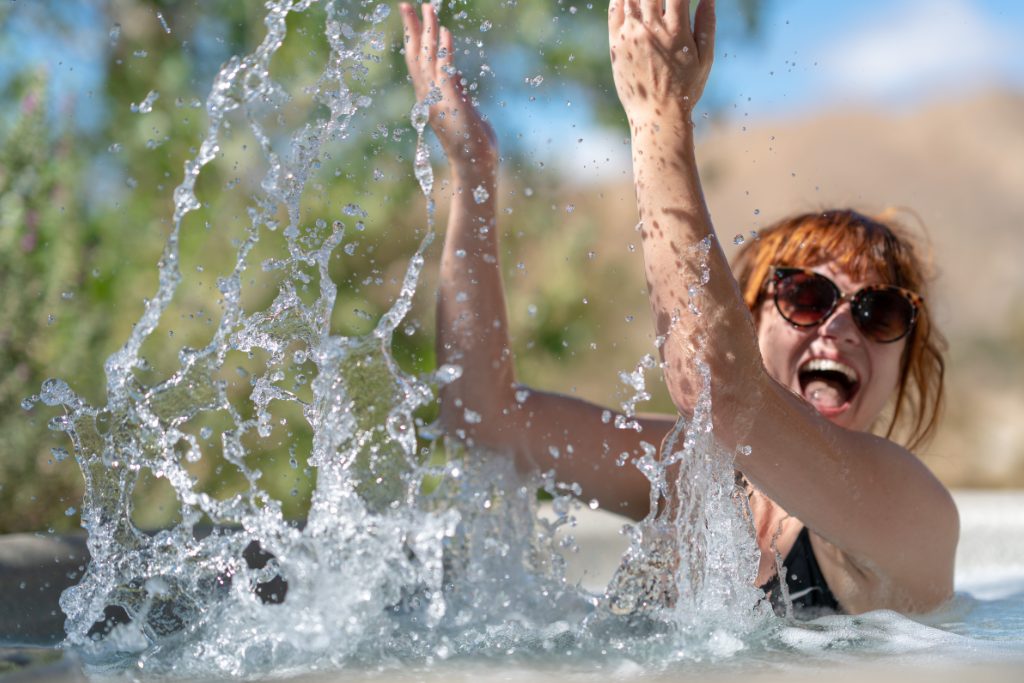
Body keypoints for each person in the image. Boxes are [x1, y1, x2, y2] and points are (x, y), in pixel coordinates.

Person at [398, 0, 958, 615]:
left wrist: (658, 116)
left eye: (879, 313)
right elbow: (482, 417)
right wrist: (473, 170)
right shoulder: (687, 476)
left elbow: (721, 393)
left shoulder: (911, 513)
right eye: (806, 296)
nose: (841, 326)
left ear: (906, 358)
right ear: (749, 321)